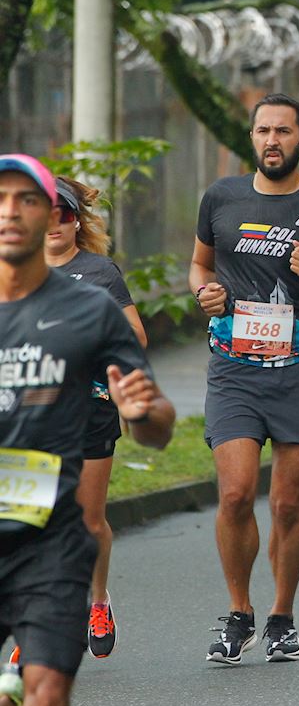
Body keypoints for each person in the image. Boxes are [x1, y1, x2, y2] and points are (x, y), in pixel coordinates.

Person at [0, 154, 174, 706]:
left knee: (46, 696)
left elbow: (156, 422)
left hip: (53, 538)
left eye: (29, 201)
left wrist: (143, 412)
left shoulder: (92, 301)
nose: (14, 213)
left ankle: (88, 609)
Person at [190, 93, 299, 665]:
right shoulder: (222, 197)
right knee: (236, 493)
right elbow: (199, 264)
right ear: (252, 137)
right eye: (263, 130)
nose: (272, 141)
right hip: (234, 365)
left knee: (287, 504)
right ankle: (239, 612)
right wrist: (203, 294)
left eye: (283, 131)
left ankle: (282, 615)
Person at [43, 176, 151, 661]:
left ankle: (99, 600)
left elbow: (136, 339)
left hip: (90, 409)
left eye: (63, 214)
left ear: (75, 221)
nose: (53, 224)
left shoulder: (99, 272)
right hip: (31, 416)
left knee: (87, 520)